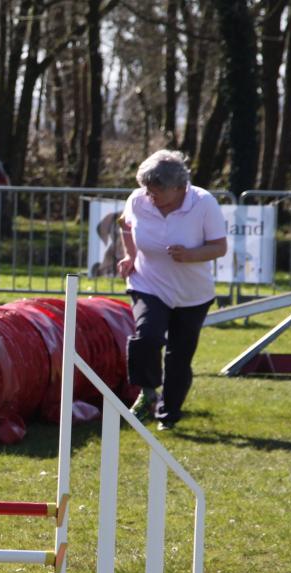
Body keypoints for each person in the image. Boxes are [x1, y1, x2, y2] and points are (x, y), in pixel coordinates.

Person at [116, 150, 227, 430]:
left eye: (157, 191)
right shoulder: (138, 200)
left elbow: (219, 247)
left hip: (192, 293)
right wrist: (130, 255)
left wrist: (191, 255)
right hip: (148, 282)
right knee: (147, 335)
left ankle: (168, 414)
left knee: (179, 357)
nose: (150, 195)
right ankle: (147, 392)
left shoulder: (203, 203)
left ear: (179, 187)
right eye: (147, 189)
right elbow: (125, 224)